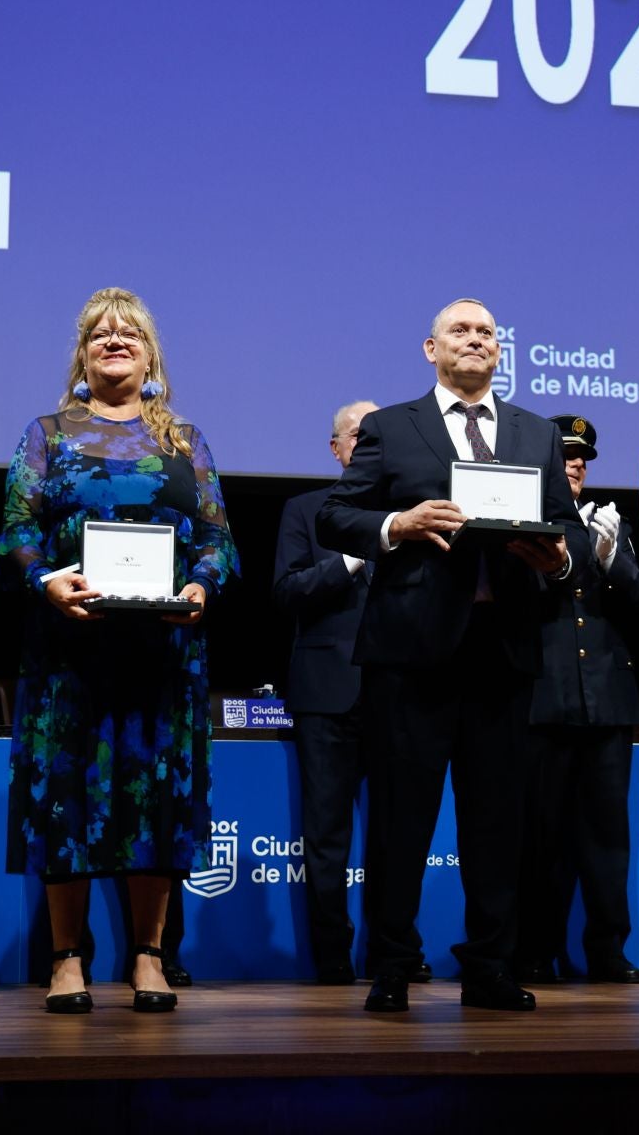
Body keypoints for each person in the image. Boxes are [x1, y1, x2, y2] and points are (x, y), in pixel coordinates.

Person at [317, 298, 585, 1015]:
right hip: (412, 654)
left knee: (497, 824)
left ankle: (490, 967)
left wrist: (558, 559)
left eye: (486, 332)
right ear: (430, 349)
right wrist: (397, 523)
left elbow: (569, 533)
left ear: (500, 351)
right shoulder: (391, 426)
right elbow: (336, 515)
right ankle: (393, 964)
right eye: (460, 331)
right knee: (401, 819)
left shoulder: (535, 432)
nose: (475, 340)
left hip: (504, 652)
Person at [1, 287, 237, 1015]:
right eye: (99, 333)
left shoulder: (185, 441)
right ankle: (66, 958)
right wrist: (45, 580)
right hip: (69, 654)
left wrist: (200, 586)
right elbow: (16, 530)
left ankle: (149, 956)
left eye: (128, 333)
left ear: (149, 354)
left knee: (155, 799)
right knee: (64, 799)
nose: (114, 340)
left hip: (162, 656)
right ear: (81, 354)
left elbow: (217, 538)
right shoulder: (48, 434)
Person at [273, 399, 431, 986]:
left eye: (377, 437)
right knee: (327, 835)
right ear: (337, 449)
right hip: (327, 693)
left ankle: (396, 950)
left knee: (401, 830)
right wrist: (348, 560)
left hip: (403, 686)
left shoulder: (414, 515)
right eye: (358, 436)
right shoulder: (305, 510)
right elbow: (288, 592)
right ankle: (333, 954)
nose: (367, 445)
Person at [514, 414, 639, 986]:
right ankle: (535, 950)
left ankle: (607, 951)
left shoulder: (608, 522)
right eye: (566, 454)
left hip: (606, 700)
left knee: (606, 839)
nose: (575, 464)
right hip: (543, 696)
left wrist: (611, 558)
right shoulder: (521, 517)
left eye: (583, 458)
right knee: (541, 835)